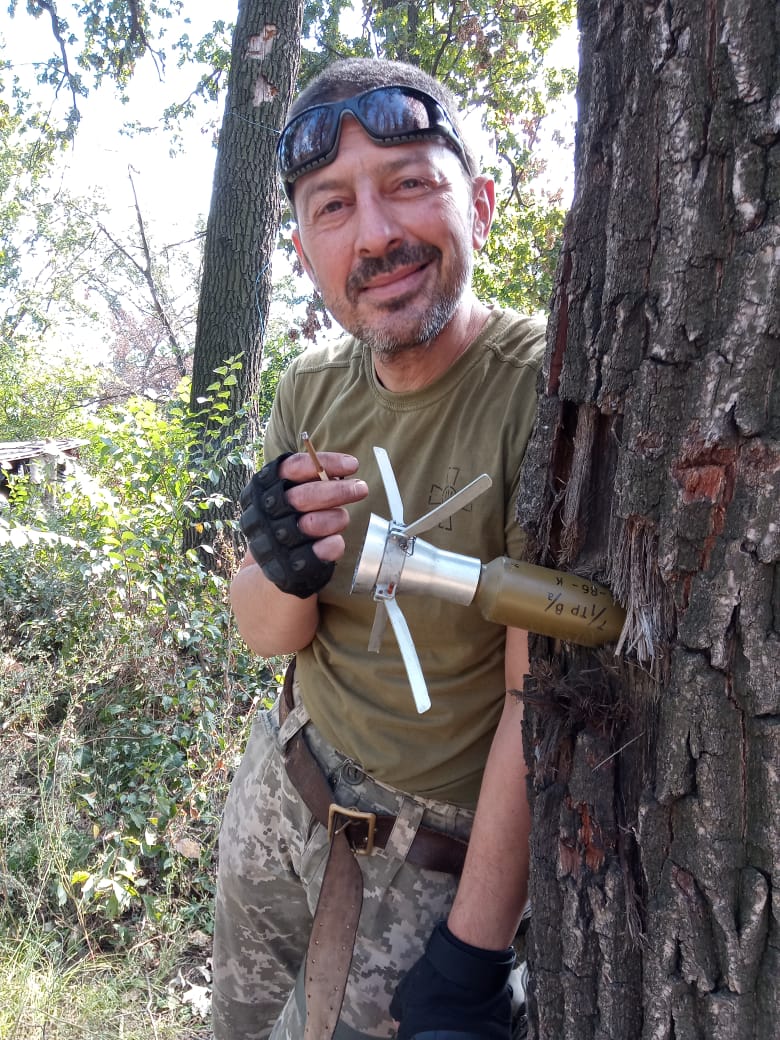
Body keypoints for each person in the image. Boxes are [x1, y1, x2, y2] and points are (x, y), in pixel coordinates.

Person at [212, 56, 545, 1040]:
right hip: (282, 785)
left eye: (408, 183)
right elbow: (269, 635)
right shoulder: (311, 388)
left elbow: (540, 699)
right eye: (332, 207)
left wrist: (474, 953)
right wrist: (280, 563)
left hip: (425, 861)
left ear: (478, 202)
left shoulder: (539, 393)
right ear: (304, 248)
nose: (377, 233)